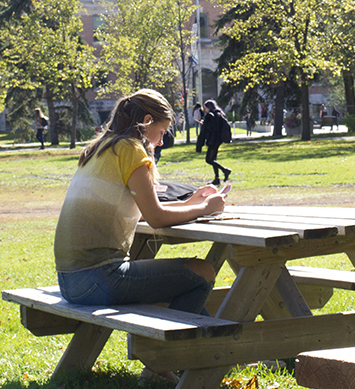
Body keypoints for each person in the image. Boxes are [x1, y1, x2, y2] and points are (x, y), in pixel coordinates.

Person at [54, 89, 227, 323]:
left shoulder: (103, 147)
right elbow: (156, 218)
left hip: (71, 281)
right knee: (202, 272)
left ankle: (201, 346)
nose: (162, 141)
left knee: (176, 281)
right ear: (147, 122)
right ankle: (171, 350)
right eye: (162, 131)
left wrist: (189, 203)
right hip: (98, 278)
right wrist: (206, 208)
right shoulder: (130, 149)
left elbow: (145, 213)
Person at [196, 99, 232, 185]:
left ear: (209, 107)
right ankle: (217, 178)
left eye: (206, 108)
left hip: (213, 140)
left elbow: (213, 128)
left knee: (209, 160)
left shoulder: (212, 115)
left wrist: (204, 124)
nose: (205, 110)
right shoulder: (219, 114)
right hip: (217, 140)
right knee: (213, 159)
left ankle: (225, 170)